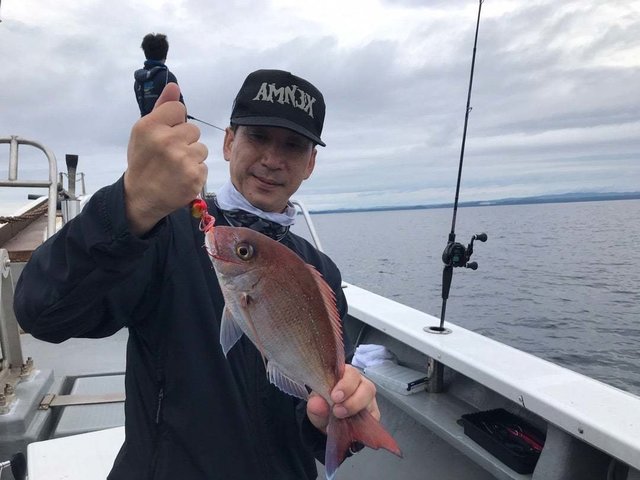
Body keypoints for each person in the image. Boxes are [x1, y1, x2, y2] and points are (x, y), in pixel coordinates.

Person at [15, 69, 381, 479]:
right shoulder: (159, 230)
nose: (273, 160)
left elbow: (316, 406)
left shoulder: (320, 270)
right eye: (258, 137)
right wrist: (131, 204)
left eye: (293, 146)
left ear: (310, 163)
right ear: (228, 142)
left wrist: (335, 416)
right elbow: (41, 312)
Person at [134, 33, 185, 116]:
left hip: (145, 125)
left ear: (146, 54)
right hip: (164, 126)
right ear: (165, 56)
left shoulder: (138, 80)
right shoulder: (167, 76)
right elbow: (181, 108)